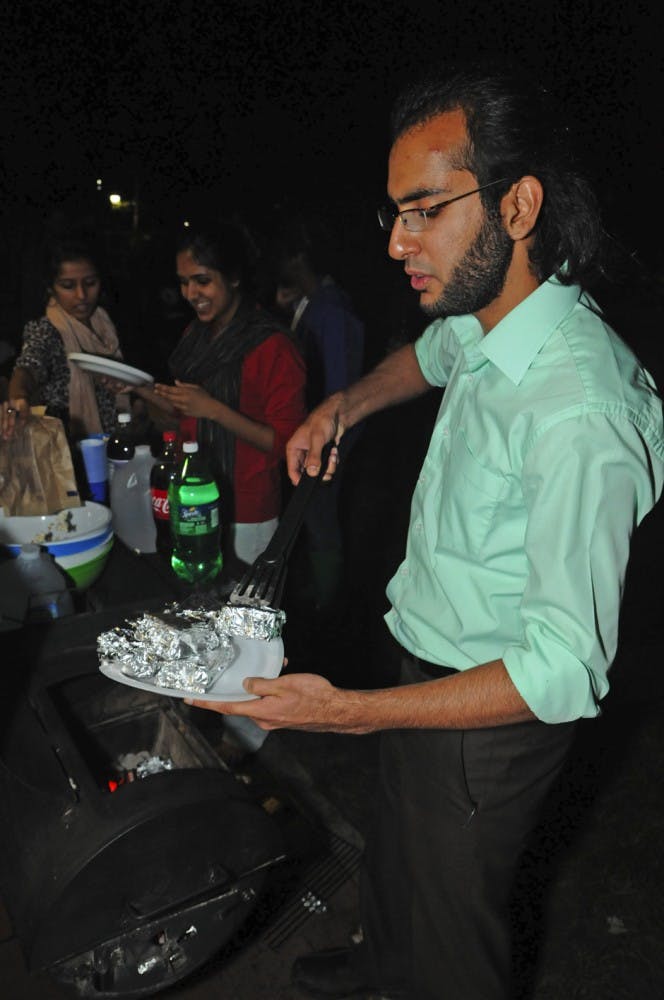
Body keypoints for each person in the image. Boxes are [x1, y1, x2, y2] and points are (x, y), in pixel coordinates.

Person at [185, 64, 664, 999]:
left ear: (518, 205)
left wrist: (351, 711)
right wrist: (342, 406)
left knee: (455, 924)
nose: (398, 241)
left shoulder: (579, 411)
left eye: (425, 210)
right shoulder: (489, 318)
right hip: (422, 658)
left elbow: (562, 672)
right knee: (398, 853)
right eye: (394, 212)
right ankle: (381, 962)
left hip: (487, 722)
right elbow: (428, 358)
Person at [150, 221, 307, 584]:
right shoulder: (196, 335)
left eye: (202, 280)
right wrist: (140, 392)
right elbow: (182, 418)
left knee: (241, 610)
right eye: (183, 282)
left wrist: (214, 410)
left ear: (234, 277)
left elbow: (287, 443)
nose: (190, 293)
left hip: (247, 511)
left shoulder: (273, 346)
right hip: (192, 498)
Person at [273, 218, 365, 612]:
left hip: (330, 434)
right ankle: (320, 590)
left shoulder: (332, 310)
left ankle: (329, 607)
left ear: (298, 258)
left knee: (322, 517)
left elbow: (340, 385)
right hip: (313, 431)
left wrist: (327, 435)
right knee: (313, 517)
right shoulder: (311, 304)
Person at [1, 237, 126, 442]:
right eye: (68, 286)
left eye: (90, 283)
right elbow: (28, 366)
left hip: (112, 442)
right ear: (50, 288)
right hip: (69, 448)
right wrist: (18, 398)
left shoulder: (105, 323)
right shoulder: (46, 328)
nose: (81, 295)